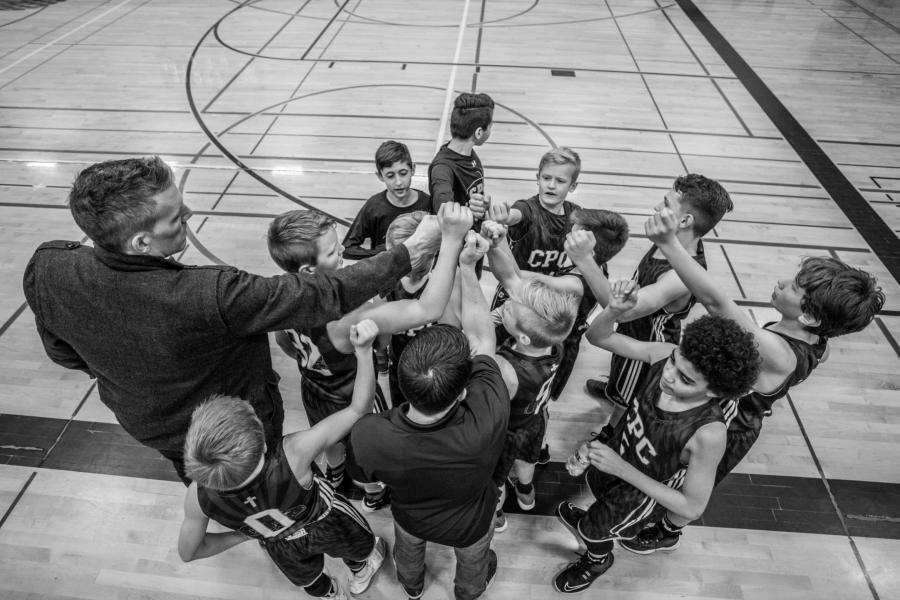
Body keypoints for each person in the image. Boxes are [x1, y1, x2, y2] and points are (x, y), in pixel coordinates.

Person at [22, 156, 439, 482]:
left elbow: (64, 354)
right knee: (268, 489)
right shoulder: (210, 295)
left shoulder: (48, 266)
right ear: (141, 240)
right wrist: (408, 253)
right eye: (175, 215)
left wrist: (127, 367)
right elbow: (322, 294)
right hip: (243, 428)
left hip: (152, 427)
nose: (189, 213)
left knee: (209, 486)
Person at [617, 208, 886, 554]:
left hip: (730, 426)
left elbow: (715, 300)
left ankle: (667, 531)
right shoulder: (820, 345)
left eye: (793, 286)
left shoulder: (779, 353)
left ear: (808, 315)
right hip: (726, 413)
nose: (781, 283)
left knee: (687, 486)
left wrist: (670, 244)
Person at [552, 280, 761, 594]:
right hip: (617, 461)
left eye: (685, 380)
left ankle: (597, 559)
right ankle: (597, 522)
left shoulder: (708, 433)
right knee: (597, 498)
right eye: (676, 362)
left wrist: (619, 468)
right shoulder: (664, 354)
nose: (669, 375)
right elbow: (598, 337)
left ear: (715, 391)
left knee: (596, 531)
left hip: (640, 494)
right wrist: (614, 310)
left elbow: (691, 507)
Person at [267, 204, 471, 508]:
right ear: (309, 270)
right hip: (352, 393)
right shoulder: (348, 317)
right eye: (334, 252)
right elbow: (427, 309)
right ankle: (374, 493)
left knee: (330, 442)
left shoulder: (278, 294)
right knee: (366, 456)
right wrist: (452, 241)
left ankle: (335, 474)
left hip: (314, 388)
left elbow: (283, 341)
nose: (342, 255)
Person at [177, 319, 386, 600]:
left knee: (308, 578)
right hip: (326, 519)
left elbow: (189, 552)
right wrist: (362, 352)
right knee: (357, 548)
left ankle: (330, 594)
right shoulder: (293, 453)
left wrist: (242, 536)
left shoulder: (197, 496)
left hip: (279, 543)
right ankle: (361, 571)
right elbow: (358, 409)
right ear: (263, 442)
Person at [348, 232, 507, 600]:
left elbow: (365, 478)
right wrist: (467, 267)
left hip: (411, 518)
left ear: (402, 379)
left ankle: (412, 586)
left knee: (408, 555)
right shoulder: (487, 418)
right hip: (471, 523)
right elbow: (484, 340)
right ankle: (468, 593)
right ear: (463, 391)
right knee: (473, 566)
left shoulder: (369, 434)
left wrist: (362, 355)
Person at [481, 209, 629, 463]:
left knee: (527, 405)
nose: (568, 235)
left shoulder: (572, 285)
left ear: (588, 248)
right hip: (559, 344)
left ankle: (529, 450)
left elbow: (513, 277)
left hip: (549, 345)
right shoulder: (595, 268)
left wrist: (498, 242)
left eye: (574, 234)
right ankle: (535, 449)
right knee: (540, 404)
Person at [581, 174, 733, 415]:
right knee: (620, 381)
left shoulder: (678, 278)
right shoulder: (671, 242)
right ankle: (614, 390)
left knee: (630, 401)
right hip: (634, 334)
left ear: (684, 220)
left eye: (665, 204)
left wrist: (585, 260)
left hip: (646, 347)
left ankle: (612, 429)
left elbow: (623, 312)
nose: (656, 207)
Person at [484, 231, 578, 530]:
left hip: (506, 431)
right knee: (527, 460)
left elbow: (477, 348)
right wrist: (497, 243)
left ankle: (496, 515)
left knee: (494, 482)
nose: (506, 305)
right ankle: (525, 490)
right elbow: (513, 280)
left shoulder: (506, 368)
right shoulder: (554, 340)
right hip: (535, 420)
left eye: (510, 309)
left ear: (522, 336)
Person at [342, 140, 432, 260]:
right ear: (380, 176)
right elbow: (347, 248)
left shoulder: (427, 203)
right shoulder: (374, 206)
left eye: (403, 173)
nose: (398, 182)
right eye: (390, 176)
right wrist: (382, 253)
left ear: (413, 169)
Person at [428, 92, 494, 220]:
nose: (491, 129)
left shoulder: (469, 153)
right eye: (490, 126)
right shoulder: (442, 169)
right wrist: (470, 211)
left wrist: (483, 207)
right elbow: (444, 215)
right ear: (479, 132)